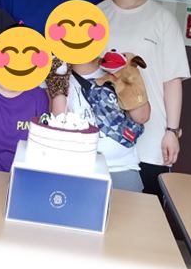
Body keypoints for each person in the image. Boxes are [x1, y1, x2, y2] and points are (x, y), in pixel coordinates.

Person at [97, 0, 190, 194]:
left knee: (146, 211)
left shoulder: (162, 19)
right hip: (105, 139)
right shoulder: (96, 16)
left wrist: (172, 131)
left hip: (150, 139)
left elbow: (172, 80)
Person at [47, 54, 151, 191]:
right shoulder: (60, 74)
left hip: (122, 167)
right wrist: (58, 79)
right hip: (79, 170)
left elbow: (142, 116)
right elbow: (59, 121)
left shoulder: (116, 67)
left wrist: (127, 72)